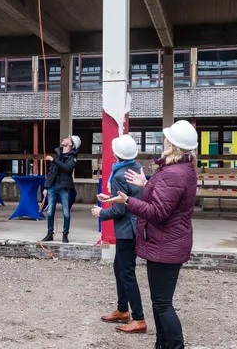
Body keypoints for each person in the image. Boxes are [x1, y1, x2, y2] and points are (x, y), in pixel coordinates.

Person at [101, 120, 198, 349]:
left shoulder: (172, 174)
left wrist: (128, 200)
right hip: (170, 242)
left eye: (167, 138)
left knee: (163, 305)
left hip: (166, 243)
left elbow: (158, 212)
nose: (164, 140)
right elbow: (167, 199)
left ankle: (174, 345)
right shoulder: (182, 169)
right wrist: (147, 185)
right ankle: (162, 345)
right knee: (159, 303)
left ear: (172, 144)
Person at [92, 134, 146, 334]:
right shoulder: (137, 168)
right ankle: (123, 309)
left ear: (116, 154)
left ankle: (138, 318)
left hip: (126, 231)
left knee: (126, 273)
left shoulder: (117, 175)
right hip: (135, 226)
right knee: (120, 268)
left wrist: (102, 212)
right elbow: (129, 198)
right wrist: (110, 198)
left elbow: (120, 210)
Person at [42, 134, 79, 243]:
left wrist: (53, 160)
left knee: (66, 212)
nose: (64, 139)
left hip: (64, 187)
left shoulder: (73, 157)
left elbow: (67, 168)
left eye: (68, 138)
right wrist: (46, 187)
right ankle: (49, 234)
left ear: (71, 143)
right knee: (50, 212)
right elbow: (51, 172)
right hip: (52, 186)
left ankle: (65, 234)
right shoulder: (57, 153)